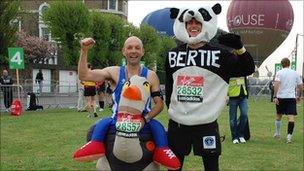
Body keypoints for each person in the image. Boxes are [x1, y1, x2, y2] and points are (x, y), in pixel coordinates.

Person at [165, 4, 255, 171]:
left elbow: (248, 69)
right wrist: (172, 108)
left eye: (197, 23)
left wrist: (240, 48)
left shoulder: (220, 54)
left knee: (211, 166)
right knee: (174, 166)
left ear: (204, 25)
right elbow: (170, 86)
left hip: (206, 122)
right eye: (189, 23)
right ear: (184, 26)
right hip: (178, 123)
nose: (193, 26)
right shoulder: (173, 54)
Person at [73, 36, 181, 169]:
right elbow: (84, 76)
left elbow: (159, 104)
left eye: (137, 47)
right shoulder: (114, 72)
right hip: (116, 124)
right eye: (129, 48)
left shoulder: (151, 75)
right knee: (94, 130)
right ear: (123, 51)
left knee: (163, 135)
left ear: (143, 51)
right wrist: (84, 51)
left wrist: (144, 120)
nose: (133, 51)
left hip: (143, 127)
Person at [273, 58, 302, 143]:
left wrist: (275, 96)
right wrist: (298, 95)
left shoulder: (279, 72)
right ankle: (289, 137)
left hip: (281, 97)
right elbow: (300, 86)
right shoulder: (295, 73)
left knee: (279, 115)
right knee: (291, 117)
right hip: (291, 98)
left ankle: (278, 133)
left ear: (281, 64)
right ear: (289, 64)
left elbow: (276, 84)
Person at [228, 77, 249, 144]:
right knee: (232, 119)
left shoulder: (242, 70)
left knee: (244, 115)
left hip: (243, 96)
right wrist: (226, 96)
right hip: (232, 97)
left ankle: (241, 134)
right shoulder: (230, 71)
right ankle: (234, 137)